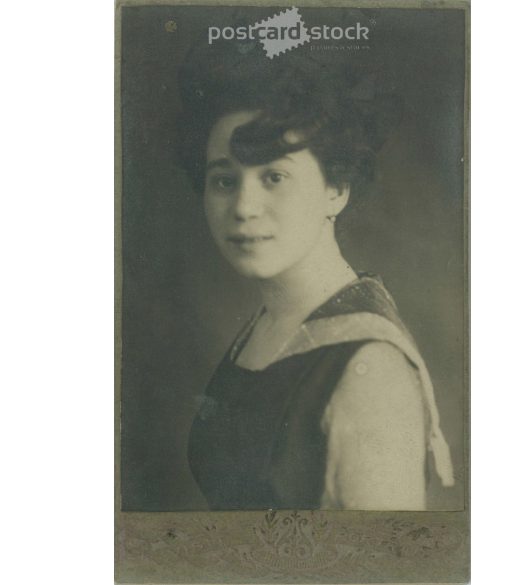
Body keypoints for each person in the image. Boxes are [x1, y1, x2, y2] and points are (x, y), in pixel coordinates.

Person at [178, 43, 454, 510]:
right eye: (225, 180)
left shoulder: (369, 369)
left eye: (274, 178)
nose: (244, 209)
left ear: (336, 189)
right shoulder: (267, 324)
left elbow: (380, 568)